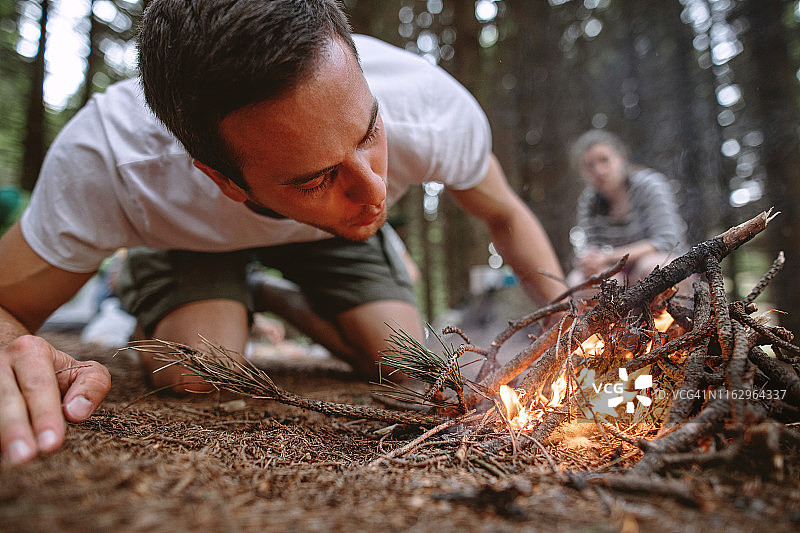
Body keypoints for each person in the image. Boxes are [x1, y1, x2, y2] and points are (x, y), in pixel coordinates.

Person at [0, 0, 565, 465]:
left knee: (406, 357)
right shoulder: (112, 165)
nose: (373, 192)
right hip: (191, 241)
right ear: (222, 179)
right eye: (317, 177)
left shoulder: (433, 112)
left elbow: (505, 214)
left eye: (369, 133)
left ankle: (267, 292)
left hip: (331, 241)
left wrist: (569, 317)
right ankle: (180, 282)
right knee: (200, 373)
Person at [566, 129, 688, 288]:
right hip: (619, 271)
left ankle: (665, 313)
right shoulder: (590, 202)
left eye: (605, 160)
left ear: (620, 159)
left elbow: (667, 242)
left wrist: (609, 256)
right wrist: (590, 260)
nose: (599, 171)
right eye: (590, 166)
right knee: (580, 281)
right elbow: (594, 247)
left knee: (651, 268)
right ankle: (605, 313)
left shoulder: (649, 186)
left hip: (662, 263)